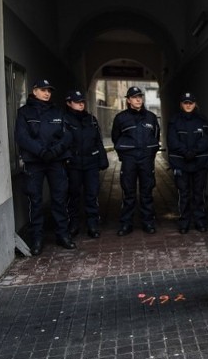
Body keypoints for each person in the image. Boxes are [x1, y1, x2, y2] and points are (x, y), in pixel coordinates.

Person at [14, 79, 76, 255]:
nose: (47, 93)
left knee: (59, 198)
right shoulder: (24, 112)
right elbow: (22, 137)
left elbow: (67, 136)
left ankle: (62, 235)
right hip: (35, 163)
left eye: (49, 90)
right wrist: (41, 152)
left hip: (56, 161)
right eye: (43, 90)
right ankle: (37, 239)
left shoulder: (57, 112)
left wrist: (55, 151)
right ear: (34, 91)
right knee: (35, 200)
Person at [111, 86, 161, 236]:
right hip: (129, 160)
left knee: (147, 192)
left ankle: (148, 222)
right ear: (128, 100)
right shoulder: (121, 118)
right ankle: (126, 224)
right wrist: (125, 154)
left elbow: (156, 136)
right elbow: (116, 137)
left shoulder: (151, 117)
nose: (138, 99)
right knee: (128, 192)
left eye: (140, 96)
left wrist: (150, 152)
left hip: (146, 159)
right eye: (134, 97)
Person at [64, 90, 109, 239]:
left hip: (91, 163)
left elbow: (98, 141)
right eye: (77, 102)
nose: (81, 104)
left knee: (92, 194)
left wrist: (102, 159)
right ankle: (73, 223)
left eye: (82, 101)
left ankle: (92, 224)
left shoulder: (91, 120)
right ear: (69, 103)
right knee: (73, 195)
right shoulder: (64, 120)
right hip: (73, 164)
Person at [167, 92, 208, 234]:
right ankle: (184, 222)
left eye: (191, 103)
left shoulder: (202, 120)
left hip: (199, 162)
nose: (188, 105)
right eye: (185, 103)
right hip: (181, 162)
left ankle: (200, 221)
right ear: (181, 104)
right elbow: (172, 140)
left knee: (199, 193)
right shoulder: (174, 120)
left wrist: (194, 151)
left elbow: (207, 139)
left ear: (195, 104)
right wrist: (185, 152)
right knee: (184, 194)